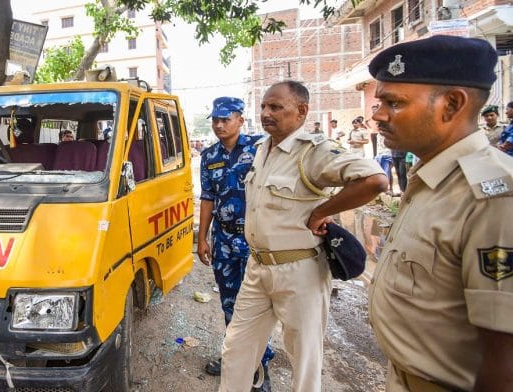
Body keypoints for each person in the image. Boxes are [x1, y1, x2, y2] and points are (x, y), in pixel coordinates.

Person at [219, 81, 387, 392]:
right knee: (236, 349)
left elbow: (374, 180)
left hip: (299, 272)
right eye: (264, 106)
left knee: (304, 360)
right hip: (257, 269)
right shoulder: (261, 150)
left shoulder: (314, 151)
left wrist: (323, 210)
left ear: (301, 111)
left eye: (276, 107)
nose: (266, 113)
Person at [367, 35, 513, 391]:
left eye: (394, 102)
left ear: (451, 104)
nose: (379, 115)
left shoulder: (493, 194)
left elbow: (505, 359)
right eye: (378, 103)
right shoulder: (432, 178)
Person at [197, 97, 274, 392]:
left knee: (258, 306)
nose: (219, 125)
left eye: (225, 119)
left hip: (256, 239)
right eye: (215, 120)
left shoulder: (260, 147)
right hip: (225, 240)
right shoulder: (209, 155)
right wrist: (202, 237)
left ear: (241, 120)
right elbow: (207, 198)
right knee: (230, 305)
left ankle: (260, 366)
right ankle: (236, 358)